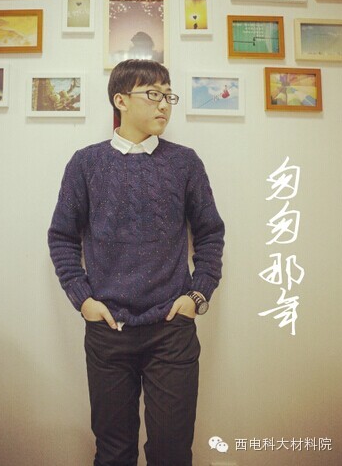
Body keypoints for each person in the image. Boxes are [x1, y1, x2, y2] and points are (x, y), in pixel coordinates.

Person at [48, 59, 225, 466]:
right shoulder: (86, 164)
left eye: (168, 95)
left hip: (172, 330)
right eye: (153, 94)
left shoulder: (184, 163)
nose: (164, 104)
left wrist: (198, 295)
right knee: (113, 452)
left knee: (171, 453)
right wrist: (83, 300)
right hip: (108, 330)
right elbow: (61, 236)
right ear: (121, 100)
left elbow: (210, 233)